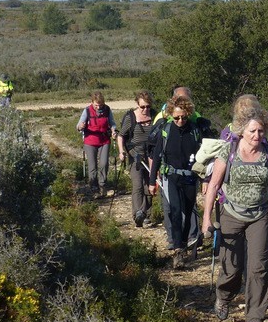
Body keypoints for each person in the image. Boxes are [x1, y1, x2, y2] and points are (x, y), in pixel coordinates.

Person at [202, 105, 268, 322]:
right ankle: (224, 296)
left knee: (259, 267)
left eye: (260, 131)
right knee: (232, 267)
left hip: (261, 215)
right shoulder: (228, 151)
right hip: (231, 214)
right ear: (241, 132)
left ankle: (255, 318)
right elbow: (214, 186)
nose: (257, 136)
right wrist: (206, 218)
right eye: (252, 132)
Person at [151, 86, 213, 250]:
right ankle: (178, 248)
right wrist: (152, 181)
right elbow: (157, 154)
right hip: (171, 176)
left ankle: (184, 242)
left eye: (184, 118)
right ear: (171, 114)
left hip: (190, 178)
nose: (180, 121)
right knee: (175, 211)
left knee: (188, 210)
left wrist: (206, 179)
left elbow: (206, 155)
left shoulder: (195, 130)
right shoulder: (165, 129)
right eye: (177, 117)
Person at [117, 90, 156, 227]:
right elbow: (121, 135)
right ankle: (138, 213)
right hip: (136, 156)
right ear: (137, 104)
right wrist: (122, 152)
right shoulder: (131, 117)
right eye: (142, 107)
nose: (145, 109)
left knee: (149, 185)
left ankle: (146, 214)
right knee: (138, 184)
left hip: (152, 156)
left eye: (148, 106)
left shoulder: (155, 116)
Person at [77, 91, 117, 197]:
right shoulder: (87, 111)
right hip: (90, 141)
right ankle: (94, 189)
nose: (98, 107)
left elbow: (112, 122)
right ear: (92, 102)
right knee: (93, 166)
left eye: (100, 105)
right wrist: (81, 126)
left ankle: (103, 187)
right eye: (96, 105)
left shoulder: (107, 109)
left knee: (104, 163)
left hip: (104, 140)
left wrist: (113, 130)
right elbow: (78, 126)